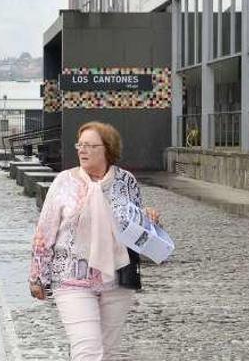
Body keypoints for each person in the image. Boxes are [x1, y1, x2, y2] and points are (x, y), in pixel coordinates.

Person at [29, 121, 162, 360]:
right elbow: (44, 233)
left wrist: (148, 218)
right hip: (71, 279)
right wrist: (37, 277)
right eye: (80, 145)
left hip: (117, 279)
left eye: (90, 145)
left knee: (109, 352)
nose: (82, 150)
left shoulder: (126, 181)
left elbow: (135, 227)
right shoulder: (64, 182)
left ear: (107, 149)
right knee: (88, 350)